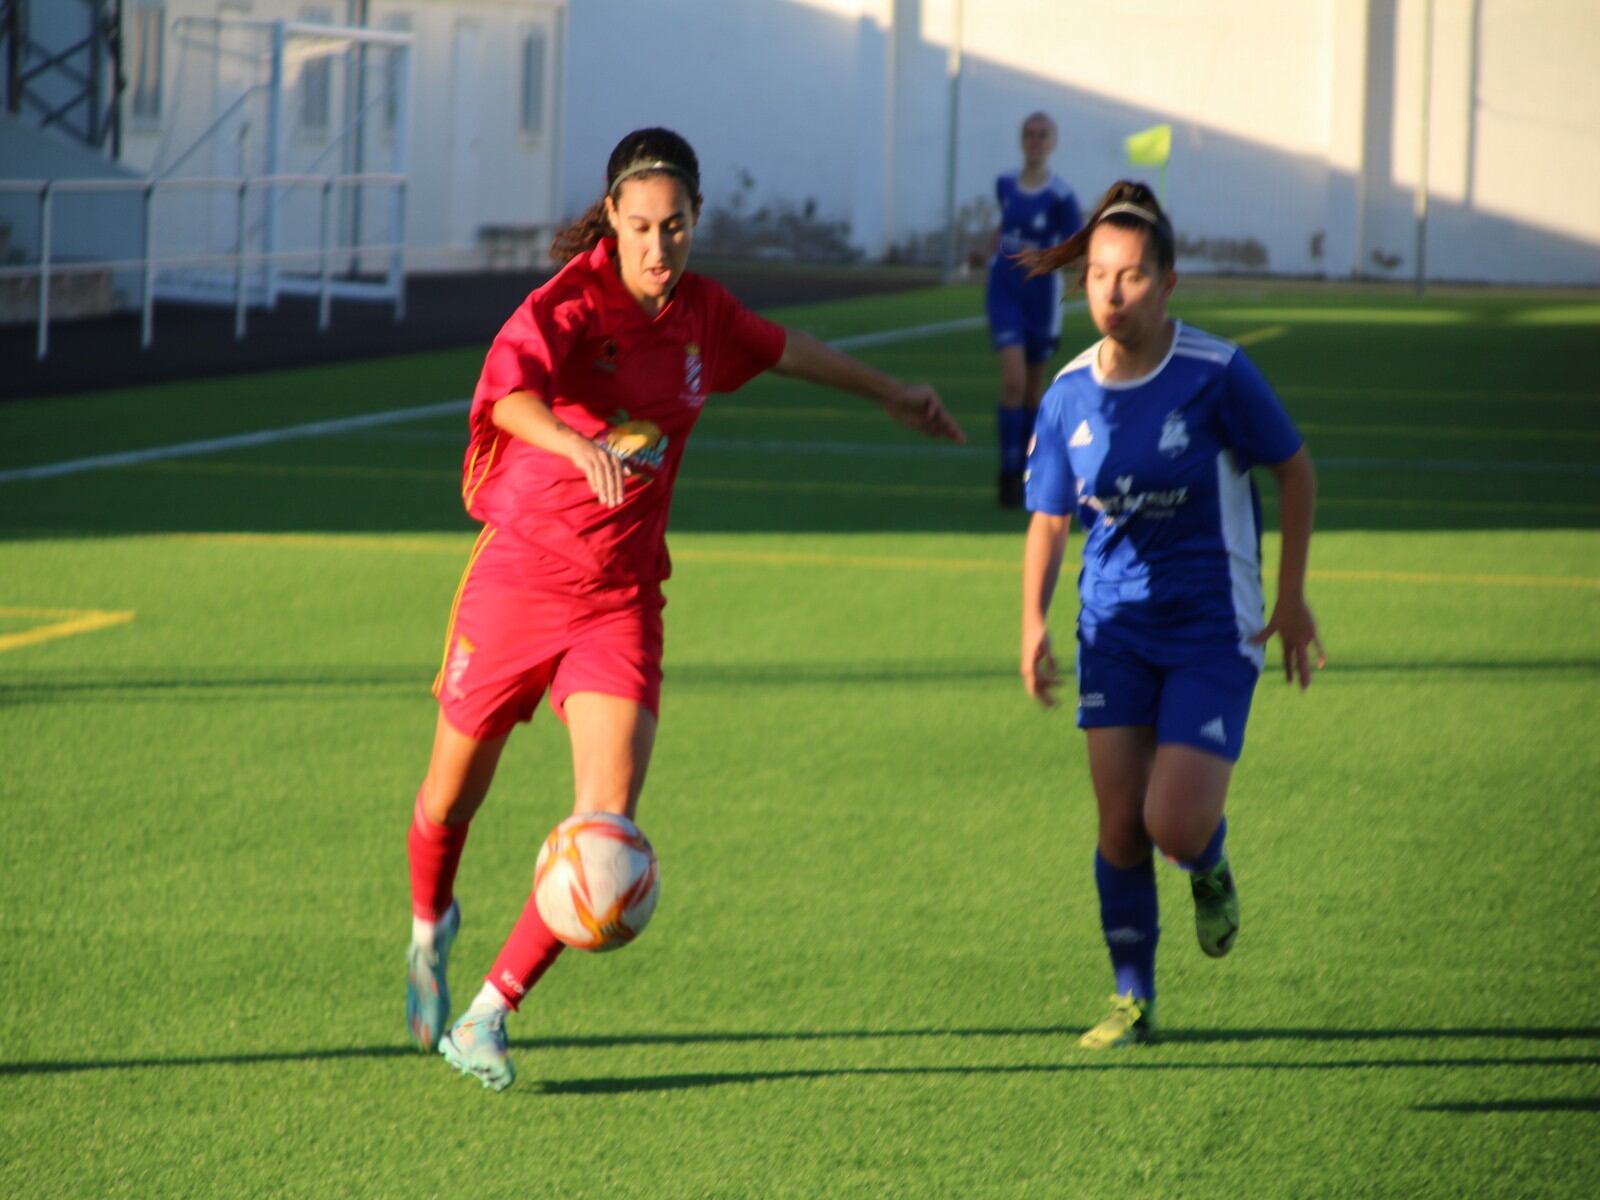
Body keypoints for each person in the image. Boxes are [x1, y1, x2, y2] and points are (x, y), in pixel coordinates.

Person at [405, 127, 965, 1091]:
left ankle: (486, 1015)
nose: (659, 247)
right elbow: (506, 398)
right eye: (641, 227)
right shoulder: (570, 302)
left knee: (608, 826)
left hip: (620, 600)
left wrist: (890, 393)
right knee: (450, 796)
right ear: (612, 222)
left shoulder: (703, 312)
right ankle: (431, 924)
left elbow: (788, 351)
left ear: (696, 220)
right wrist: (575, 447)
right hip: (520, 584)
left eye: (675, 227)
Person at [1016, 180, 1324, 1048]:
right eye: (1099, 276)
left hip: (1209, 628)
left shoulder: (1216, 374)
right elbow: (1048, 515)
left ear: (1170, 282)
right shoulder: (1069, 392)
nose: (1113, 293)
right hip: (1112, 630)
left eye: (1134, 277)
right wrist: (1033, 622)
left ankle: (1209, 860)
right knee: (1119, 824)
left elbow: (1295, 471)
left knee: (1173, 824)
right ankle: (1133, 997)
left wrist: (1290, 595)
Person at [984, 112, 1083, 508]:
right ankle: (1007, 474)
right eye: (1029, 133)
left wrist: (1044, 259)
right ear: (1021, 139)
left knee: (1030, 392)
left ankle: (1028, 471)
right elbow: (1003, 228)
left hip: (1040, 299)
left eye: (1043, 135)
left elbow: (1075, 251)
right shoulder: (1005, 184)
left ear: (1053, 142)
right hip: (1005, 290)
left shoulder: (1061, 196)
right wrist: (986, 250)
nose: (1035, 140)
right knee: (1012, 381)